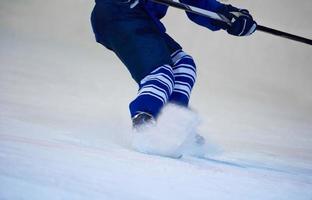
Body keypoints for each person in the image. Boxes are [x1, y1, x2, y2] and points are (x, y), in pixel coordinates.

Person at [90, 0, 257, 129]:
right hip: (119, 12)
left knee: (183, 65)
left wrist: (228, 16)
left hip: (143, 19)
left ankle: (171, 123)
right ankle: (144, 121)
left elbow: (198, 3)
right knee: (160, 72)